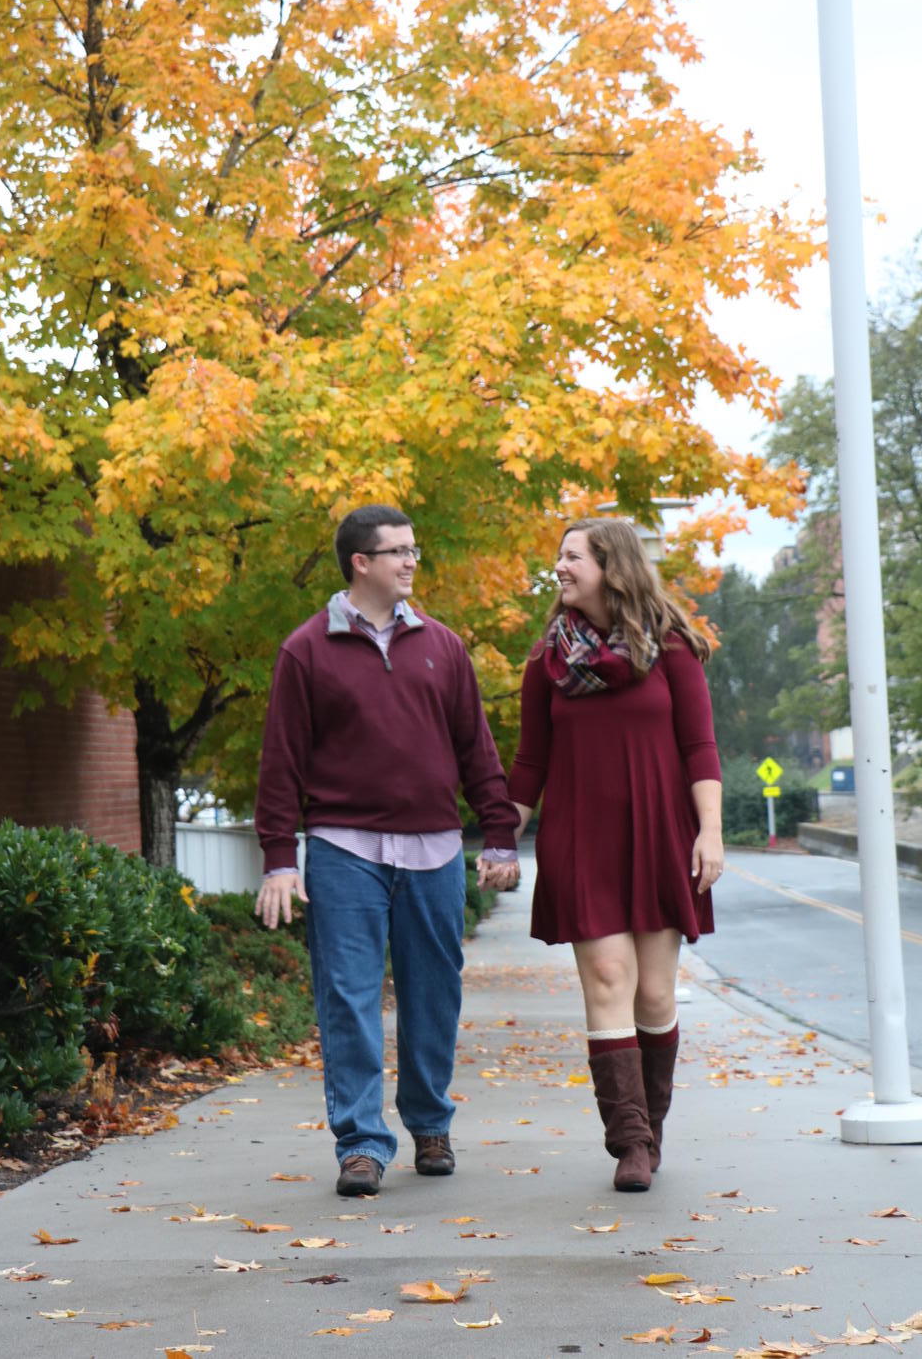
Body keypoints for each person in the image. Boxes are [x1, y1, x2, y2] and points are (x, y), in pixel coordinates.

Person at [253, 505, 521, 1199]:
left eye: (414, 549)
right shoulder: (306, 650)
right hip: (345, 852)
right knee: (347, 998)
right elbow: (281, 763)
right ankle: (362, 1144)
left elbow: (477, 752)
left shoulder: (444, 646)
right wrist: (280, 859)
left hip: (433, 851)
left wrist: (499, 834)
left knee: (434, 995)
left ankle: (431, 1124)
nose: (411, 561)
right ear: (360, 563)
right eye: (396, 551)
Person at [508, 517, 723, 1192]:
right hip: (581, 837)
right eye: (560, 557)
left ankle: (651, 1129)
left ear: (612, 565)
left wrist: (709, 829)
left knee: (656, 994)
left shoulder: (672, 649)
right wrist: (498, 834)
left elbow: (699, 747)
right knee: (608, 978)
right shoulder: (547, 664)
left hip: (661, 835)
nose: (561, 568)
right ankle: (629, 1141)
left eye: (572, 557)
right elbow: (530, 762)